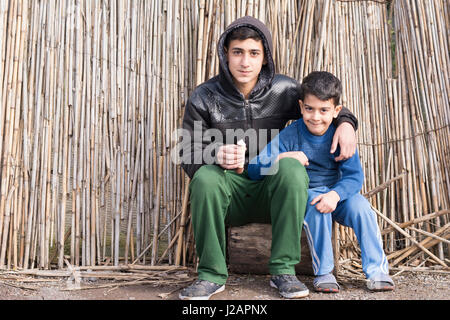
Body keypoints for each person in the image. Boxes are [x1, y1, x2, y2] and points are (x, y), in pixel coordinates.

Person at [178, 16, 358, 300]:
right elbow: (186, 151)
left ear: (265, 57)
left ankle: (283, 272)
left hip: (273, 192)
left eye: (253, 53)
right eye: (237, 52)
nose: (245, 62)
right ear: (226, 55)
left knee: (290, 166)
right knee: (205, 178)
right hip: (230, 191)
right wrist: (215, 154)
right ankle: (211, 275)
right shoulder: (205, 96)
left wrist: (347, 123)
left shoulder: (283, 90)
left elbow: (322, 104)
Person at [248, 71, 394, 293]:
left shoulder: (341, 135)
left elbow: (354, 177)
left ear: (336, 111)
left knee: (363, 209)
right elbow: (254, 168)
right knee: (318, 209)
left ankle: (377, 271)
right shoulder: (291, 135)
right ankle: (324, 272)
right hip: (306, 194)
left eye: (324, 110)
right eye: (309, 109)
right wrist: (282, 158)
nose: (316, 117)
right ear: (300, 106)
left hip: (338, 194)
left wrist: (335, 195)